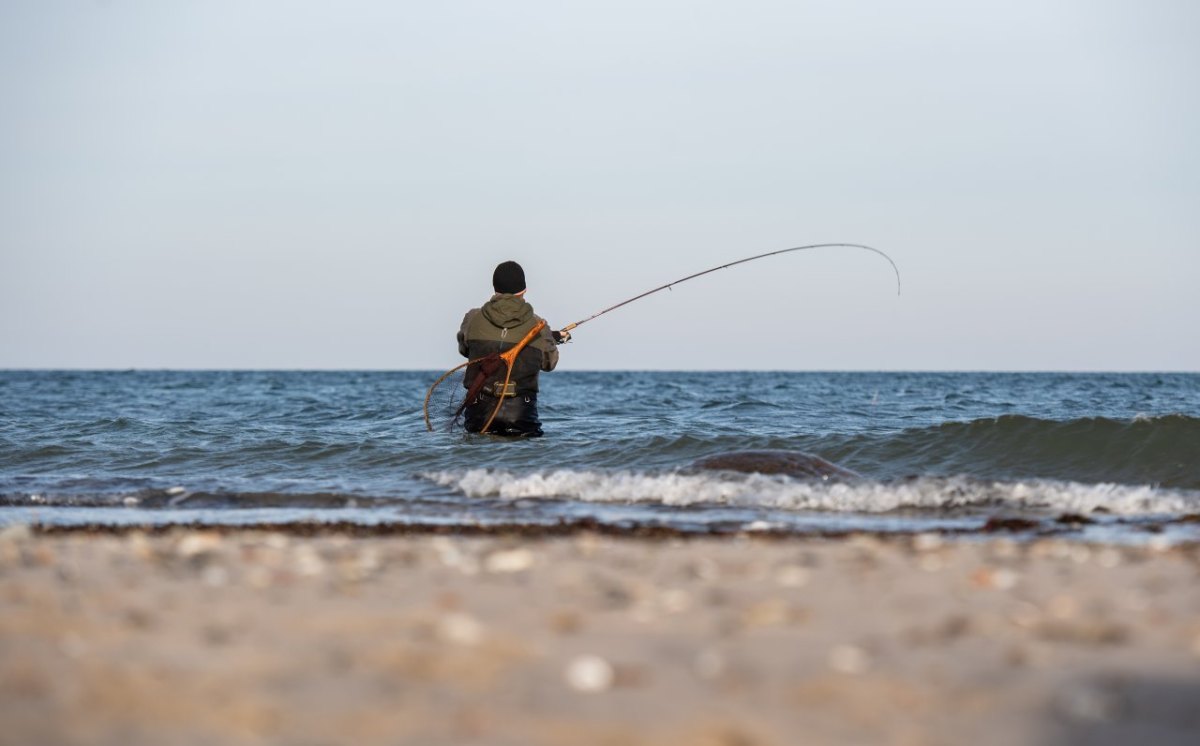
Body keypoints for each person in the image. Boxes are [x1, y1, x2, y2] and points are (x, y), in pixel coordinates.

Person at [457, 261, 569, 436]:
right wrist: (550, 338)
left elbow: (465, 350)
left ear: (495, 289)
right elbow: (549, 364)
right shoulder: (539, 326)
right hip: (521, 414)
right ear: (524, 290)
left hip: (479, 413)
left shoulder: (472, 318)